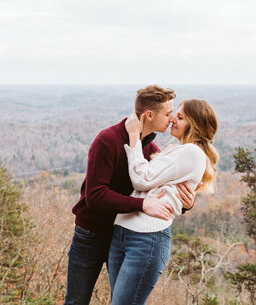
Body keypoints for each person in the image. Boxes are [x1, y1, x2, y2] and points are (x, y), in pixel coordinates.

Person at [64, 86, 197, 305]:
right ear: (149, 115)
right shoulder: (107, 140)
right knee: (76, 301)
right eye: (167, 113)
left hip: (123, 236)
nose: (171, 118)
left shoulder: (149, 148)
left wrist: (185, 205)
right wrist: (142, 204)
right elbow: (95, 196)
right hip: (91, 234)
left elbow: (159, 190)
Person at [108, 99, 219, 305]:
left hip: (146, 240)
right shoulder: (176, 151)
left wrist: (133, 135)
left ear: (194, 124)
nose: (172, 120)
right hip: (123, 231)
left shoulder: (192, 153)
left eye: (180, 117)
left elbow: (143, 179)